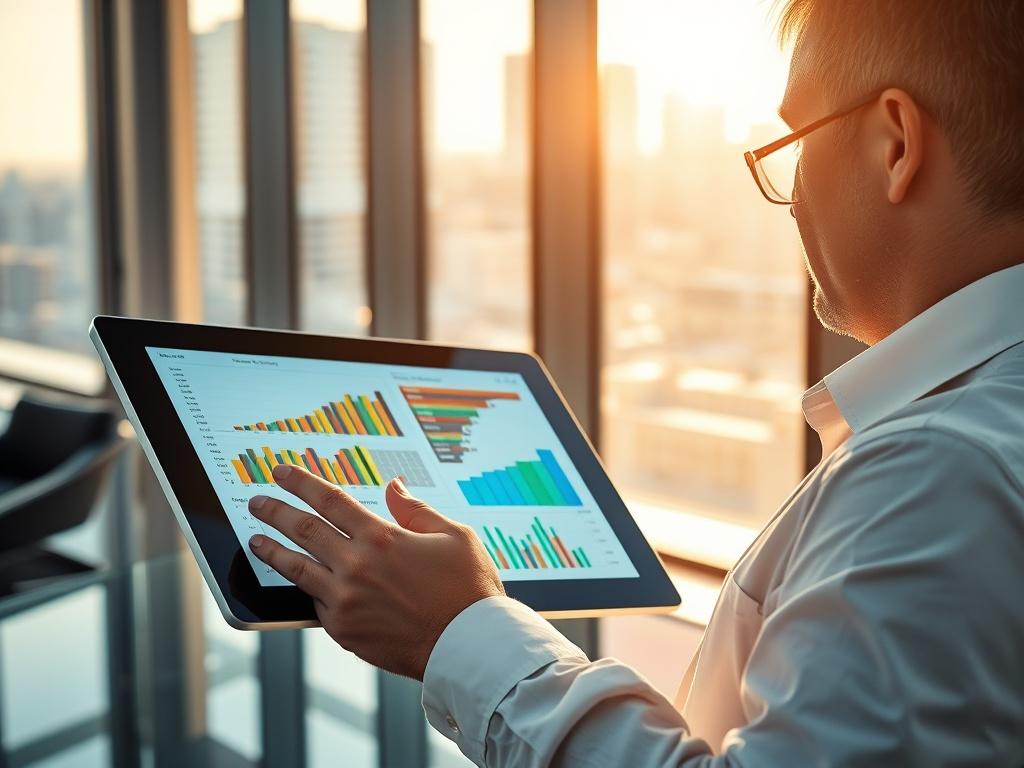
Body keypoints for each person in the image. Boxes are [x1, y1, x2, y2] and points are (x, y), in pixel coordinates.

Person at [243, 1, 1024, 764]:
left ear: (895, 145)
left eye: (796, 142)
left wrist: (458, 629)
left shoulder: (934, 470)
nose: (791, 200)